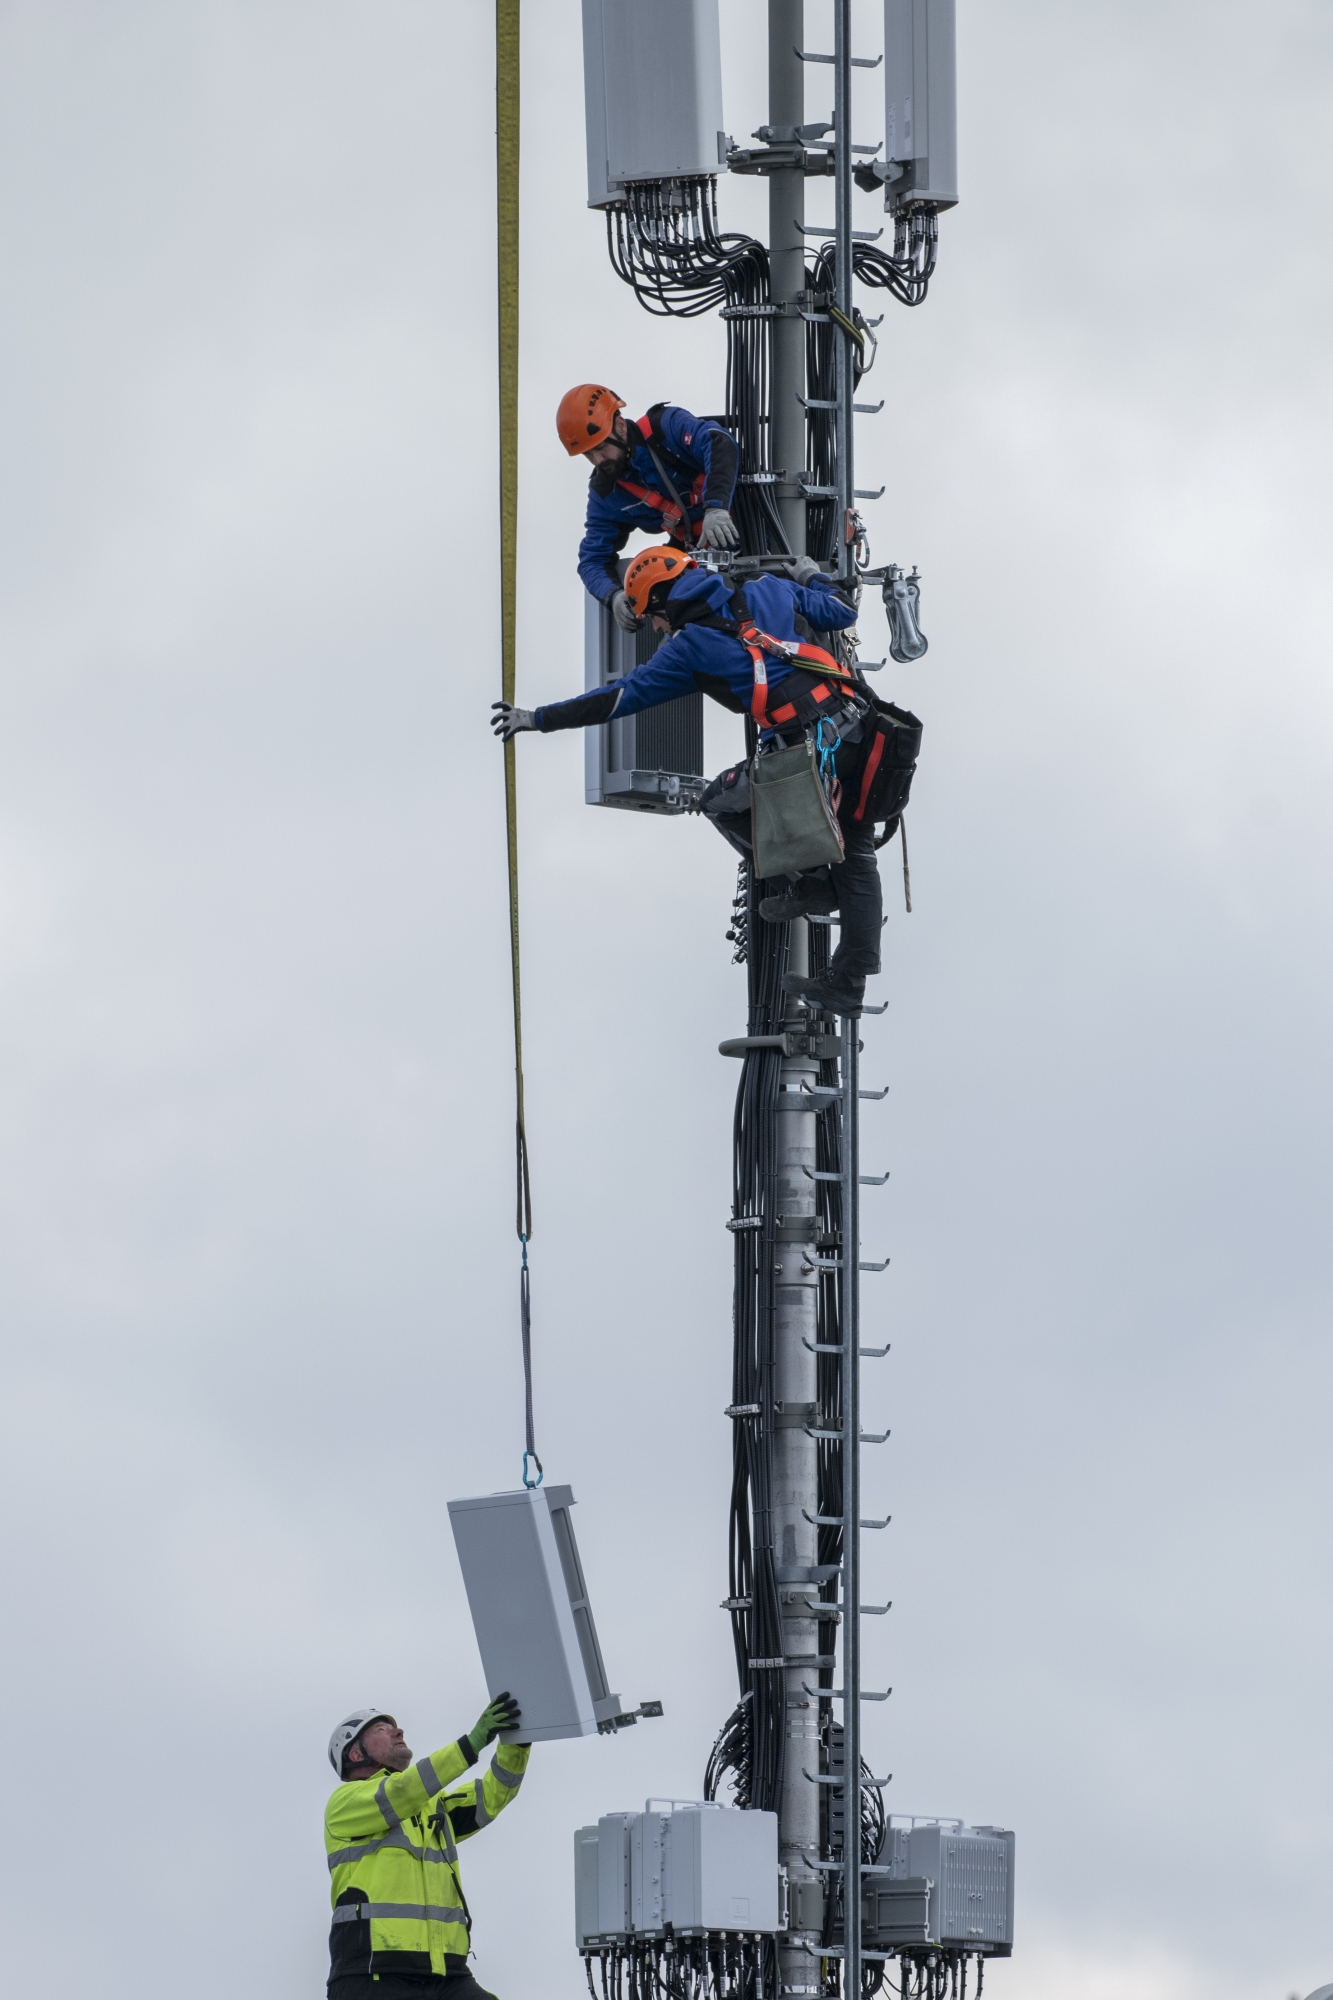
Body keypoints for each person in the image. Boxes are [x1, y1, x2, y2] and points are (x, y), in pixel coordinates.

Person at [492, 549, 892, 1018]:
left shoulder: (688, 650)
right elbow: (842, 611)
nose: (657, 629)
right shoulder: (768, 588)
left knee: (721, 802)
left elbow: (615, 699)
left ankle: (811, 882)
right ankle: (848, 983)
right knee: (858, 854)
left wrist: (537, 719)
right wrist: (809, 573)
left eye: (653, 618)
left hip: (808, 757)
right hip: (861, 733)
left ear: (664, 603)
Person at [324, 1695, 528, 2000]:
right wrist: (471, 1744)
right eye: (381, 1730)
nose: (398, 1731)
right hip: (373, 1974)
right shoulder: (344, 1803)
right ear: (356, 1754)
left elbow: (493, 1795)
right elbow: (403, 1790)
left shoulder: (430, 1806)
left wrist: (518, 1740)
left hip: (446, 1973)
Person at [557, 383, 740, 628]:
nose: (597, 460)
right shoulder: (607, 493)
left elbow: (718, 442)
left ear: (620, 426)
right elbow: (592, 560)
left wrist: (716, 506)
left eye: (601, 448)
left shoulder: (663, 427)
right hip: (702, 558)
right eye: (588, 454)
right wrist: (614, 596)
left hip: (753, 522)